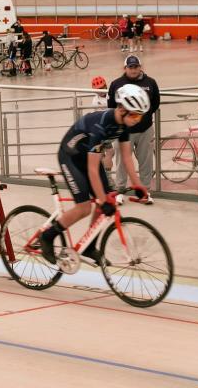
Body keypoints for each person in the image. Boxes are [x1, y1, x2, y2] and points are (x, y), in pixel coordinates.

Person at [40, 84, 151, 264]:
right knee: (85, 207)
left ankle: (89, 246)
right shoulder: (101, 126)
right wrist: (101, 200)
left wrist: (139, 185)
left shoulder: (123, 125)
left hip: (89, 156)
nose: (138, 120)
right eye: (135, 114)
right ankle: (47, 236)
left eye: (141, 115)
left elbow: (126, 157)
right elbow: (92, 169)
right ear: (122, 109)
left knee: (107, 200)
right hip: (70, 157)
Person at [107, 55, 160, 205]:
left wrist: (143, 117)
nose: (133, 69)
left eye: (136, 66)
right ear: (125, 68)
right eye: (130, 67)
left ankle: (144, 191)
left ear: (140, 67)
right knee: (121, 162)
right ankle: (119, 191)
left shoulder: (150, 83)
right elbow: (111, 106)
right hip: (124, 132)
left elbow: (155, 104)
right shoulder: (116, 84)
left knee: (146, 161)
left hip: (145, 130)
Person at [91, 76, 115, 176]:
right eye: (98, 90)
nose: (101, 91)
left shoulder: (111, 94)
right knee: (109, 152)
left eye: (102, 88)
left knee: (106, 153)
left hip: (110, 128)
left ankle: (105, 174)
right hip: (103, 130)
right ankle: (107, 175)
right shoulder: (96, 101)